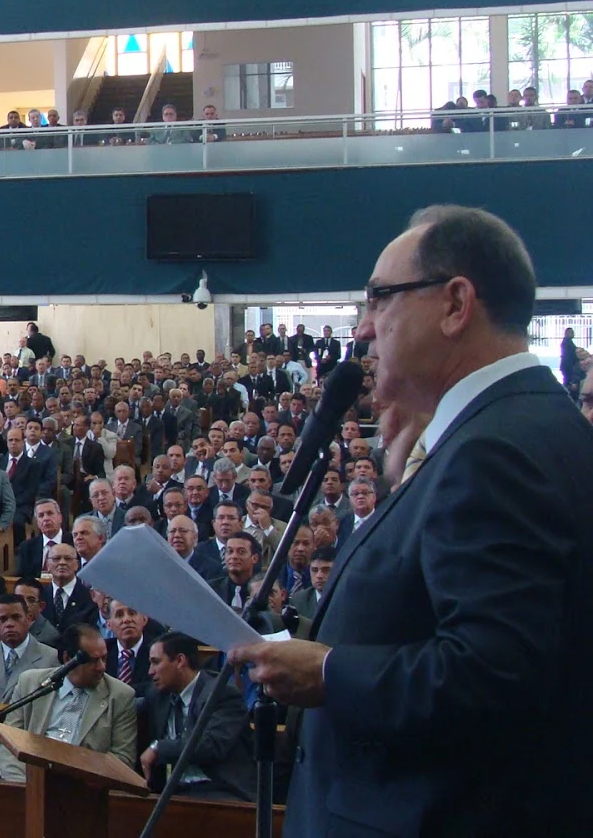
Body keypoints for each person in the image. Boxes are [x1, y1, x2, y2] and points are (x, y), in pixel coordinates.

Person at [235, 206, 592, 836]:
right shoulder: (524, 425)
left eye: (380, 298)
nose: (365, 329)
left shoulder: (493, 453)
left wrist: (326, 671)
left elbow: (491, 671)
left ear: (456, 304)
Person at [0, 623, 137, 780]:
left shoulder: (120, 695)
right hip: (29, 780)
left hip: (83, 788)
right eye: (93, 660)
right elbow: (7, 742)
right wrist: (24, 784)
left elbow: (122, 759)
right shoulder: (31, 683)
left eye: (104, 658)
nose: (101, 667)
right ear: (68, 658)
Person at [139, 631, 253, 800]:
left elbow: (211, 746)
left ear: (180, 661)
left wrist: (159, 748)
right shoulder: (157, 695)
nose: (150, 671)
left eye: (156, 662)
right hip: (173, 791)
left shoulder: (221, 693)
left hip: (220, 789)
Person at [0, 593, 59, 702]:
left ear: (28, 619)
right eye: (3, 619)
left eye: (16, 617)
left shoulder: (50, 657)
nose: (9, 624)